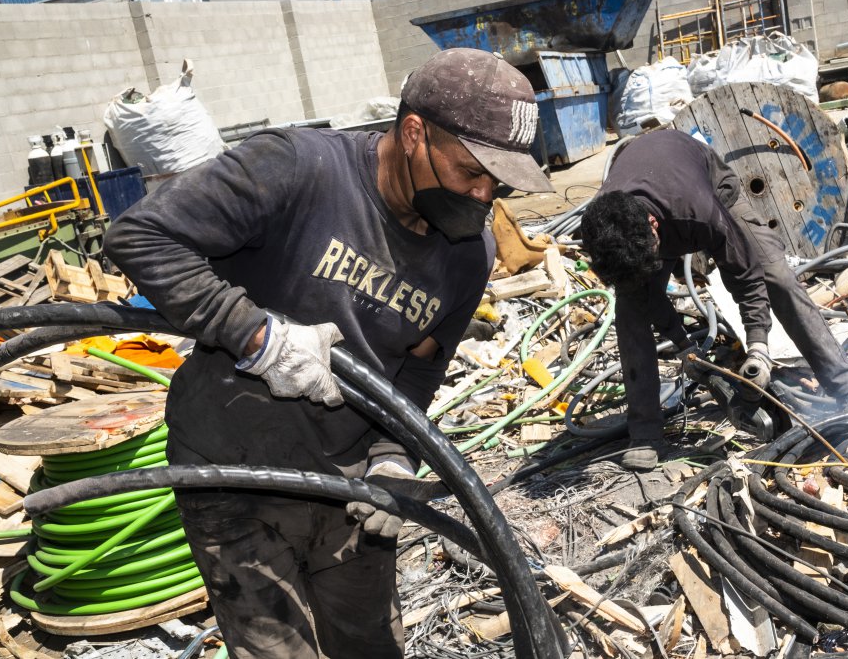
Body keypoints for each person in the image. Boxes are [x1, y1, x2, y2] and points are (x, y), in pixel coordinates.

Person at [103, 47, 552, 659]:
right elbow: (140, 235)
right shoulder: (298, 167)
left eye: (494, 182)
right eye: (471, 170)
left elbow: (418, 368)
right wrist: (256, 336)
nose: (481, 195)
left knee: (370, 646)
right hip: (234, 468)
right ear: (415, 132)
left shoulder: (464, 253)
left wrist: (397, 456)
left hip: (348, 482)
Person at [580, 128, 848, 472]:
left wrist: (758, 346)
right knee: (629, 311)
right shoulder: (601, 229)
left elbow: (745, 275)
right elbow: (643, 293)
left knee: (776, 276)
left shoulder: (698, 211)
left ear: (653, 226)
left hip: (712, 186)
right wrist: (684, 345)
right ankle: (645, 433)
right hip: (646, 208)